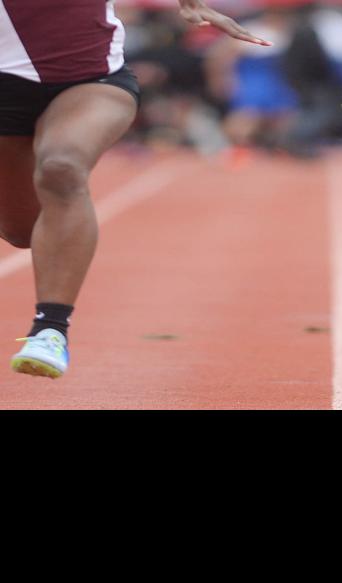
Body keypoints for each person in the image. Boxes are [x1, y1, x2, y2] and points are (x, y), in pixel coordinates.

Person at [2, 0, 269, 379]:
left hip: (91, 78)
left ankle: (50, 329)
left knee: (61, 167)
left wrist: (191, 4)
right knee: (22, 230)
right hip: (5, 87)